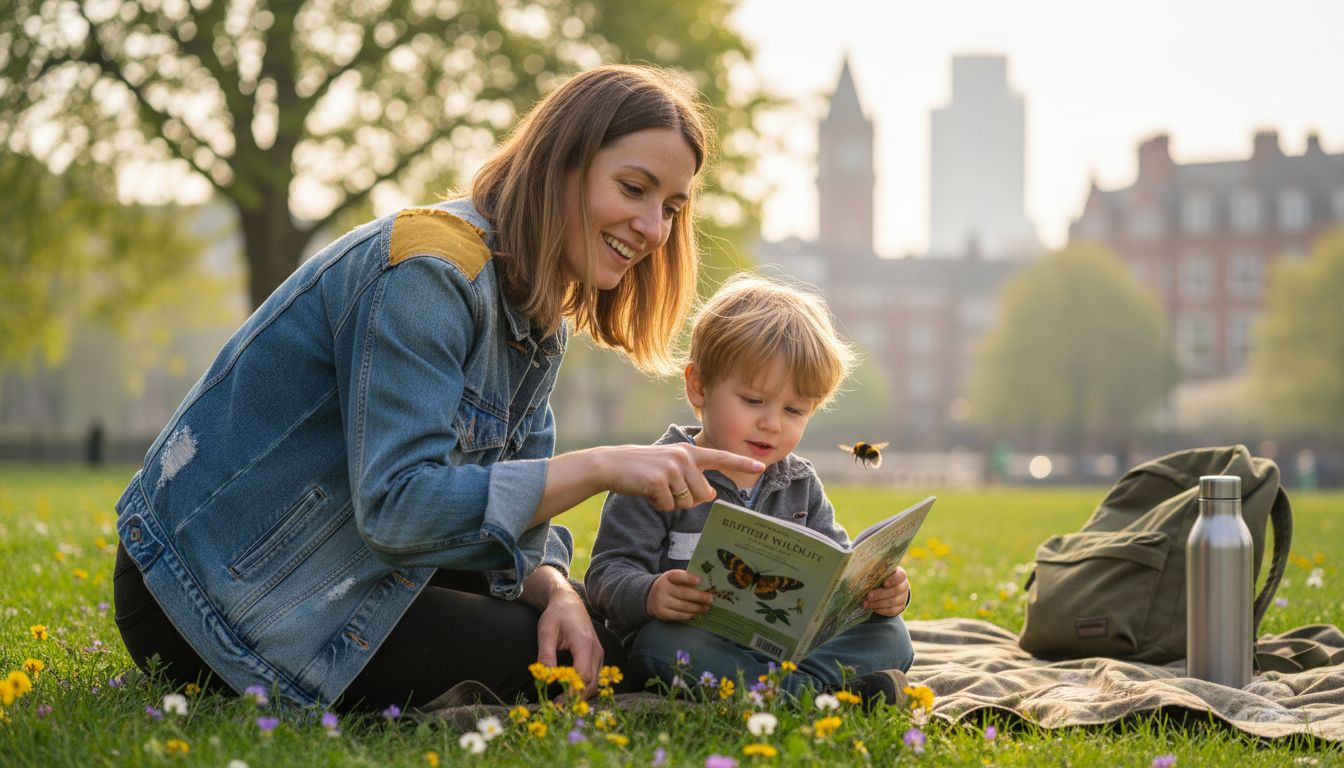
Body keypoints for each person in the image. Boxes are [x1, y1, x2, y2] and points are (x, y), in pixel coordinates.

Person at [111, 64, 766, 712]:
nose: (653, 229)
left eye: (671, 209)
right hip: (203, 599)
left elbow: (499, 517)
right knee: (613, 665)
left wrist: (558, 592)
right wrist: (600, 466)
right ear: (560, 164)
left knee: (590, 628)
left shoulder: (535, 316)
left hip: (330, 567)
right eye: (634, 188)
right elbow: (400, 508)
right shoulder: (428, 275)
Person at [584, 274, 915, 706]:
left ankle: (784, 696)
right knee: (660, 647)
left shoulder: (800, 483)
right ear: (699, 386)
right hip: (695, 638)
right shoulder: (654, 473)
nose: (772, 423)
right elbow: (606, 574)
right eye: (754, 401)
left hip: (780, 648)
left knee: (892, 636)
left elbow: (836, 574)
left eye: (795, 410)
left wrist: (885, 592)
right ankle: (822, 698)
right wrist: (651, 594)